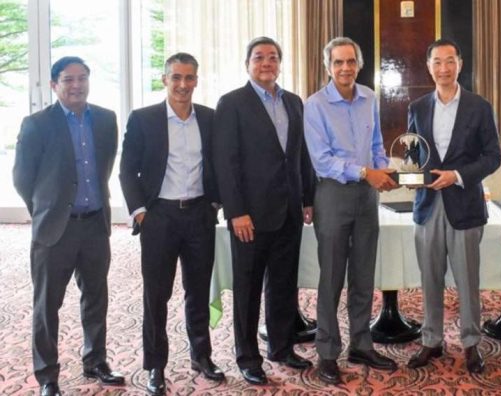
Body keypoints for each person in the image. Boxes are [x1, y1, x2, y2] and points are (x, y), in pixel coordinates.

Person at [13, 56, 124, 396]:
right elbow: (22, 177)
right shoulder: (36, 124)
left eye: (82, 78)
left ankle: (96, 361)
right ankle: (48, 376)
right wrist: (45, 209)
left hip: (94, 225)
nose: (76, 85)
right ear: (54, 85)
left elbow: (105, 166)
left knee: (96, 298)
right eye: (68, 79)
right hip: (54, 230)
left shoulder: (106, 120)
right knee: (47, 305)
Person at [212, 37, 316, 385]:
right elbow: (225, 163)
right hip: (250, 217)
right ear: (247, 64)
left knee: (284, 283)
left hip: (288, 210)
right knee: (248, 286)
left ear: (280, 63)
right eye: (259, 57)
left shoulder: (293, 102)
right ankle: (247, 356)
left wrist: (308, 197)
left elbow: (300, 153)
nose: (266, 62)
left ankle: (282, 347)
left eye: (273, 57)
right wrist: (236, 212)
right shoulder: (232, 103)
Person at [119, 53, 224, 395]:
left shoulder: (209, 118)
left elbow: (222, 164)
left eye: (189, 78)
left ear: (196, 80)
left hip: (198, 216)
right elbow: (127, 170)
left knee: (198, 291)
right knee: (157, 295)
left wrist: (215, 203)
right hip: (159, 218)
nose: (182, 84)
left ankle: (201, 355)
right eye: (176, 77)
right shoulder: (144, 118)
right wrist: (139, 212)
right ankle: (156, 366)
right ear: (164, 79)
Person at [304, 36, 398, 385]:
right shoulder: (314, 105)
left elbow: (375, 145)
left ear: (359, 65)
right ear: (328, 67)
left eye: (351, 62)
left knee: (363, 275)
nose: (345, 68)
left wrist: (384, 169)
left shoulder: (369, 97)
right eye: (338, 62)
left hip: (366, 198)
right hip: (332, 195)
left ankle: (361, 342)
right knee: (331, 277)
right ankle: (327, 352)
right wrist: (364, 172)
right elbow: (322, 160)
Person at [405, 39, 501, 373]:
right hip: (428, 204)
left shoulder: (479, 106)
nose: (443, 68)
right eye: (436, 62)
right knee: (429, 278)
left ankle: (471, 343)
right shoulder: (417, 107)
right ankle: (431, 341)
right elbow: (413, 153)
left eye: (450, 61)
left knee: (466, 279)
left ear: (460, 63)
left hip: (465, 204)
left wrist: (458, 175)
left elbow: (492, 156)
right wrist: (409, 173)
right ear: (428, 65)